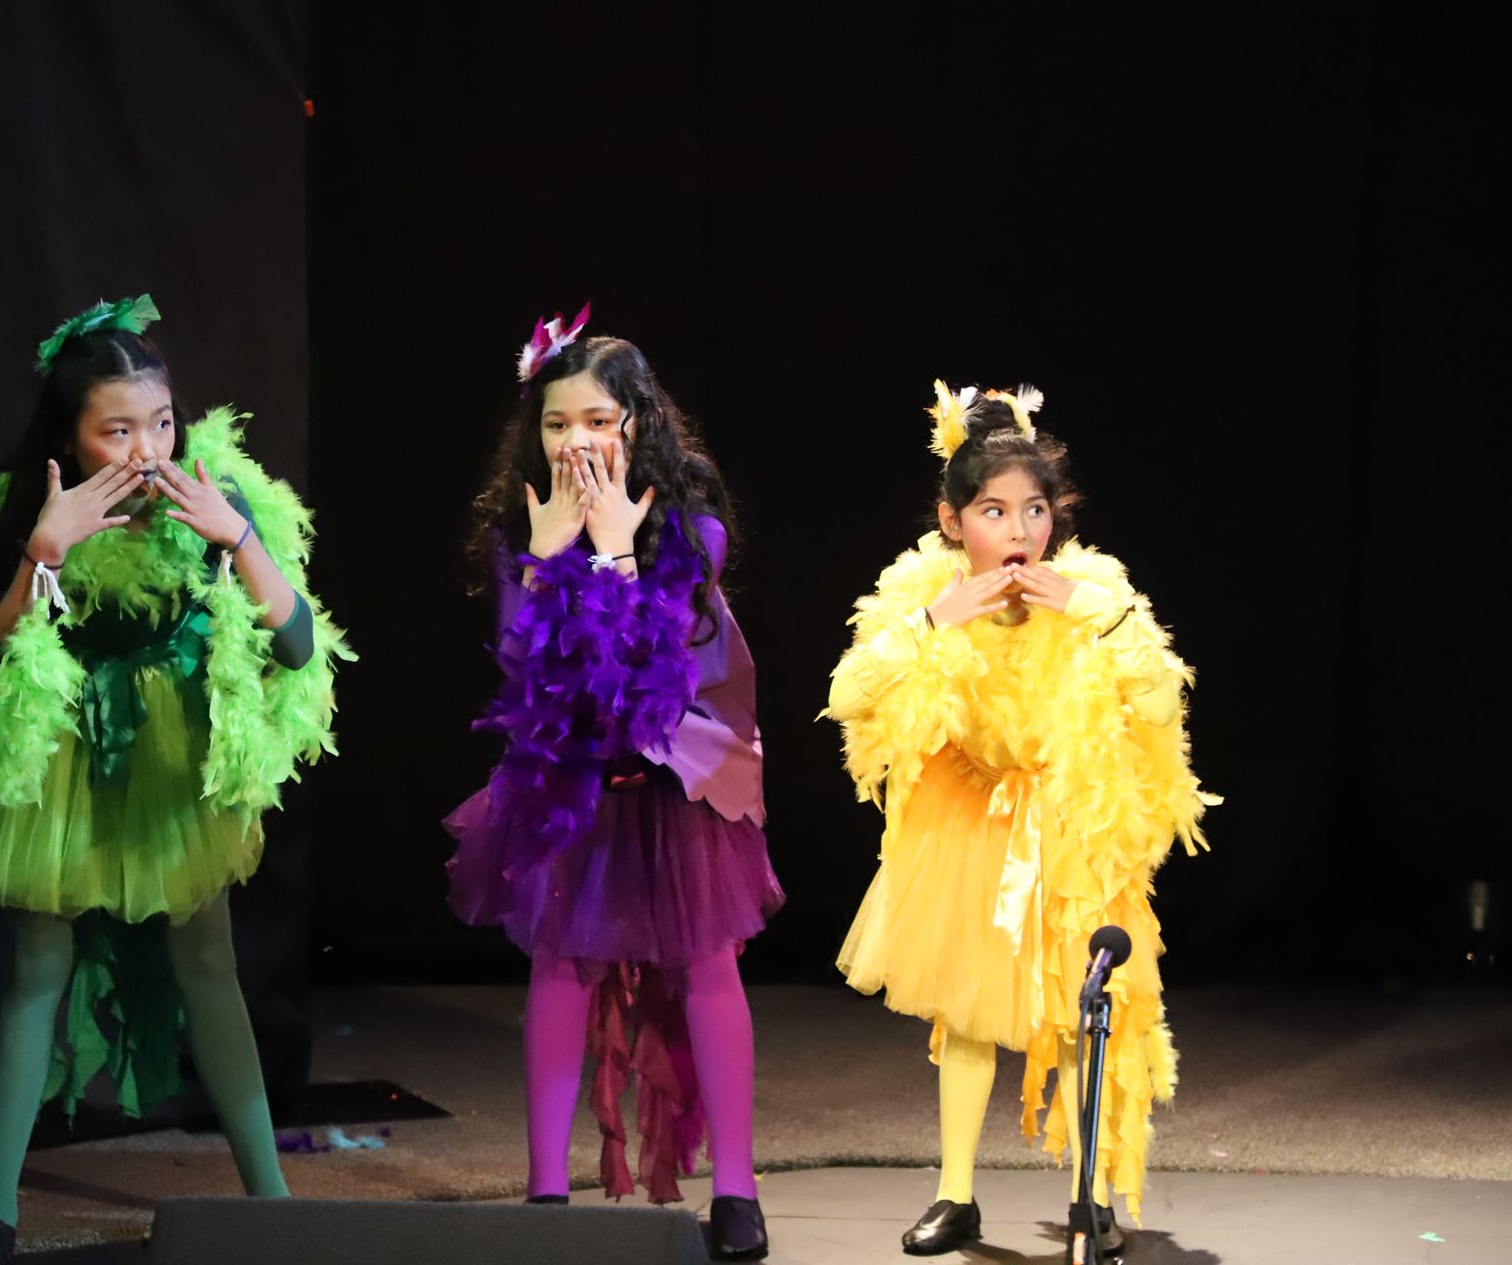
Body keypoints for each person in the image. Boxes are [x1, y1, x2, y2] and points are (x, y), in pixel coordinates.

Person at [0, 295, 349, 1263]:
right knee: (38, 966)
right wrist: (41, 552)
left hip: (172, 756)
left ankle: (272, 1202)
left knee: (209, 966)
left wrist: (237, 537)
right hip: (65, 752)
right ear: (69, 433)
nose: (148, 447)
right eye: (119, 428)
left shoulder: (215, 492)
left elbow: (295, 640)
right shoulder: (23, 508)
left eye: (160, 421)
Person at [827, 382, 1214, 1258]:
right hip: (971, 828)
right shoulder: (924, 602)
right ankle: (955, 1196)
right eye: (994, 510)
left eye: (1033, 509)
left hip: (1072, 824)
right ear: (953, 520)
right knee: (966, 1016)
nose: (1017, 530)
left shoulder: (1092, 595)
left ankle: (1089, 1196)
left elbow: (1159, 706)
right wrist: (932, 622)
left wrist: (1102, 617)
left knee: (1082, 1012)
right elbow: (846, 696)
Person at [444, 306, 783, 1260]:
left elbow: (656, 670)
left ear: (634, 424)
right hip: (571, 779)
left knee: (706, 964)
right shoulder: (523, 533)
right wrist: (551, 557)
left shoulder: (693, 530)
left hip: (671, 775)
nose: (576, 441)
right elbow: (520, 662)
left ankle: (737, 1192)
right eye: (556, 425)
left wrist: (621, 549)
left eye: (596, 420)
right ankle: (547, 1194)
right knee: (560, 964)